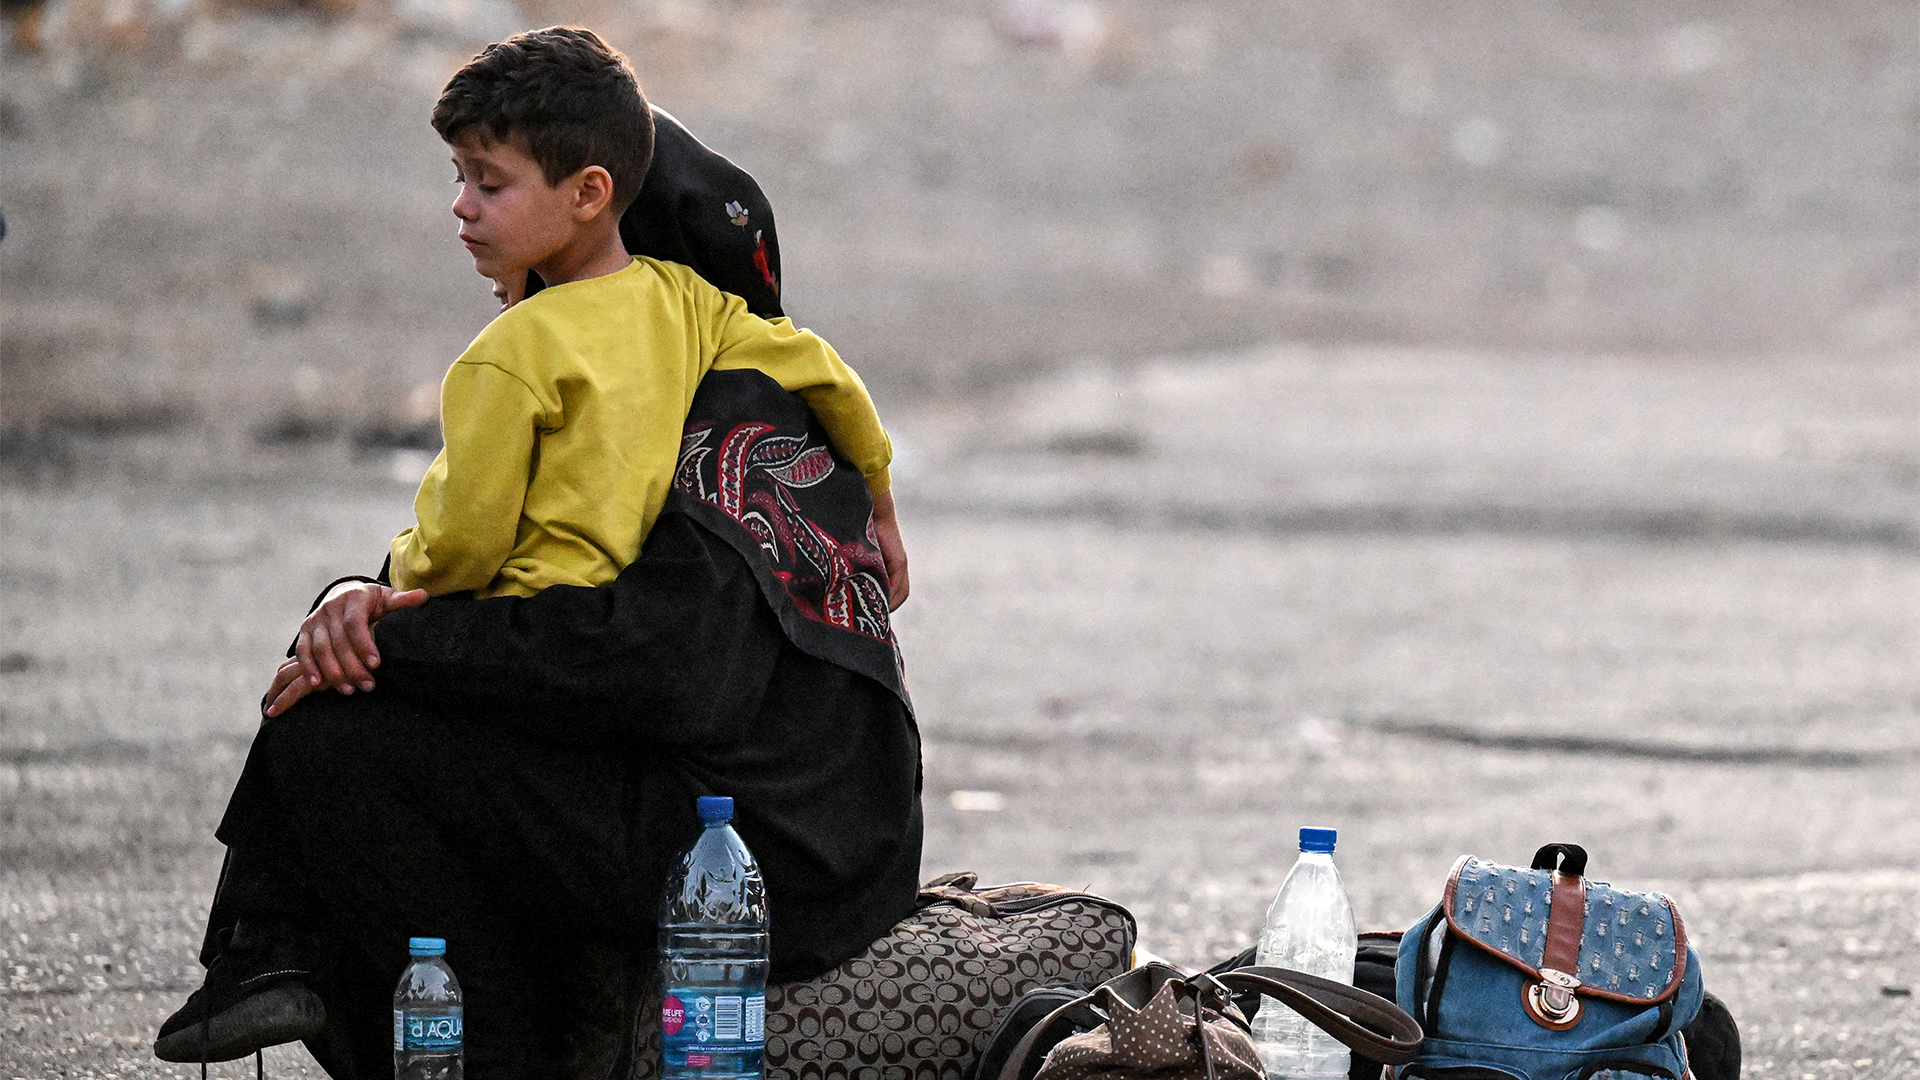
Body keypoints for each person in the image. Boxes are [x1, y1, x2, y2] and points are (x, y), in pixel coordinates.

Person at [154, 27, 922, 1079]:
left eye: (494, 186)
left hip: (775, 857)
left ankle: (476, 1049)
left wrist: (386, 634)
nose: (475, 221)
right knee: (354, 700)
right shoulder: (730, 357)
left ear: (601, 207)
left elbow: (643, 667)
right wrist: (364, 606)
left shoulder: (725, 420)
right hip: (774, 817)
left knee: (335, 736)